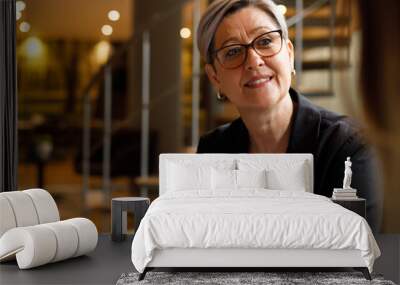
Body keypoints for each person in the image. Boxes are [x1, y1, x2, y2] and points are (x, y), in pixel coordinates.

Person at [195, 0, 382, 232]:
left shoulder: (347, 146)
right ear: (215, 78)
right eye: (233, 51)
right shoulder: (213, 150)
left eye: (265, 41)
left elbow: (357, 253)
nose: (254, 61)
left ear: (289, 55)